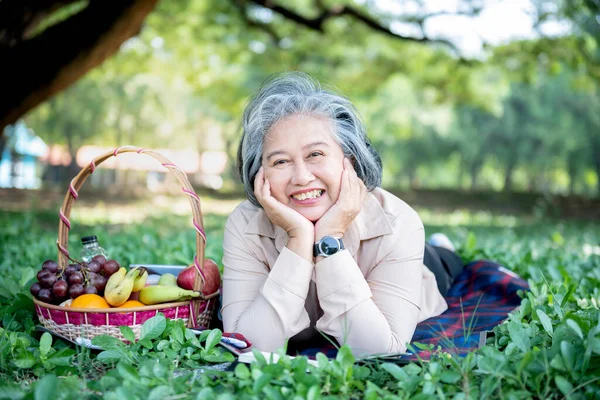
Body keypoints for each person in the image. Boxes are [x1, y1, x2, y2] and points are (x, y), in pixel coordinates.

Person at [221, 72, 464, 356]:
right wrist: (299, 238)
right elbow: (245, 346)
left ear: (349, 160)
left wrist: (329, 238)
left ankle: (443, 247)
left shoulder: (399, 223)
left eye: (315, 155)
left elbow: (378, 351)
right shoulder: (244, 224)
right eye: (281, 161)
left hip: (425, 269)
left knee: (445, 262)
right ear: (260, 172)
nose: (301, 177)